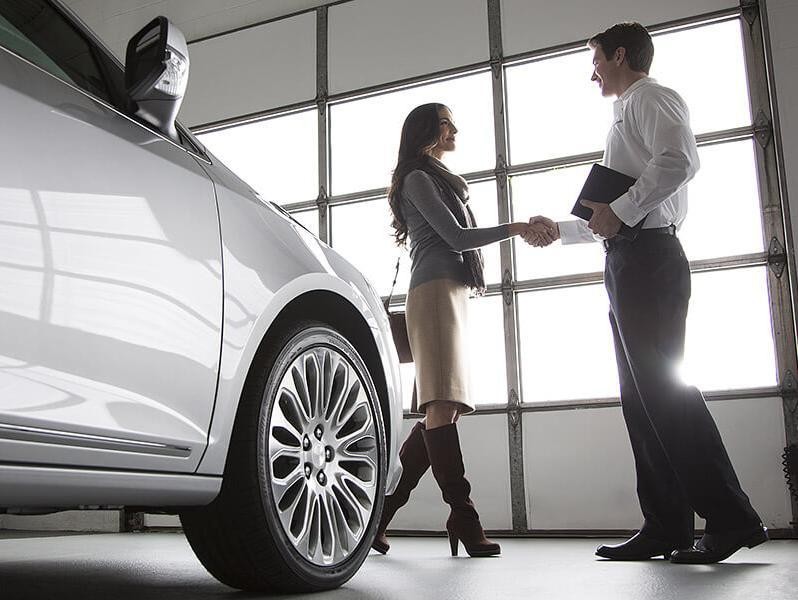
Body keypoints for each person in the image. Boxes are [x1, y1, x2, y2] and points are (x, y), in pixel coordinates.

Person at [524, 22, 767, 564]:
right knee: (641, 399)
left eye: (597, 60)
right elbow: (612, 217)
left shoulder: (651, 97)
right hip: (630, 259)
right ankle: (666, 525)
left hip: (651, 261)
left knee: (662, 390)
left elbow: (681, 162)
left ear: (620, 54)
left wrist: (623, 210)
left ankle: (732, 518)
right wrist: (560, 229)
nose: (593, 73)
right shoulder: (624, 116)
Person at [373, 102, 552, 557]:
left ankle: (381, 514)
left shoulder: (439, 180)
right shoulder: (416, 178)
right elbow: (454, 238)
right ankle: (464, 515)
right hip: (432, 292)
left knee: (445, 407)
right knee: (440, 403)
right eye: (447, 122)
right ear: (428, 130)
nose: (455, 129)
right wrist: (516, 227)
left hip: (449, 292)